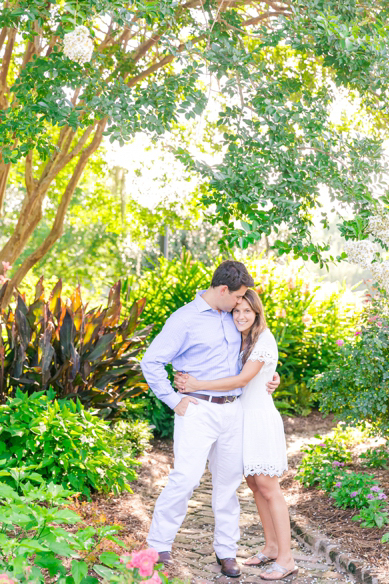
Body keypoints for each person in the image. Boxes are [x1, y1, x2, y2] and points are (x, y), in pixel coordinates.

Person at [140, 261, 280, 578]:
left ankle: (226, 551)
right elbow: (151, 362)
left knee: (228, 484)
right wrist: (175, 401)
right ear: (222, 290)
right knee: (186, 478)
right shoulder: (184, 320)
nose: (241, 305)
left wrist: (274, 377)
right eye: (238, 297)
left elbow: (257, 354)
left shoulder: (235, 317)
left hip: (235, 410)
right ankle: (158, 545)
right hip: (197, 410)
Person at [175, 289, 298, 581]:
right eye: (236, 311)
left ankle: (287, 557)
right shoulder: (241, 337)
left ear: (257, 313)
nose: (241, 316)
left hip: (260, 419)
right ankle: (270, 546)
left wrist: (196, 384)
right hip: (243, 417)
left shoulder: (263, 338)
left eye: (247, 312)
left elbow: (243, 379)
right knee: (255, 485)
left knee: (270, 488)